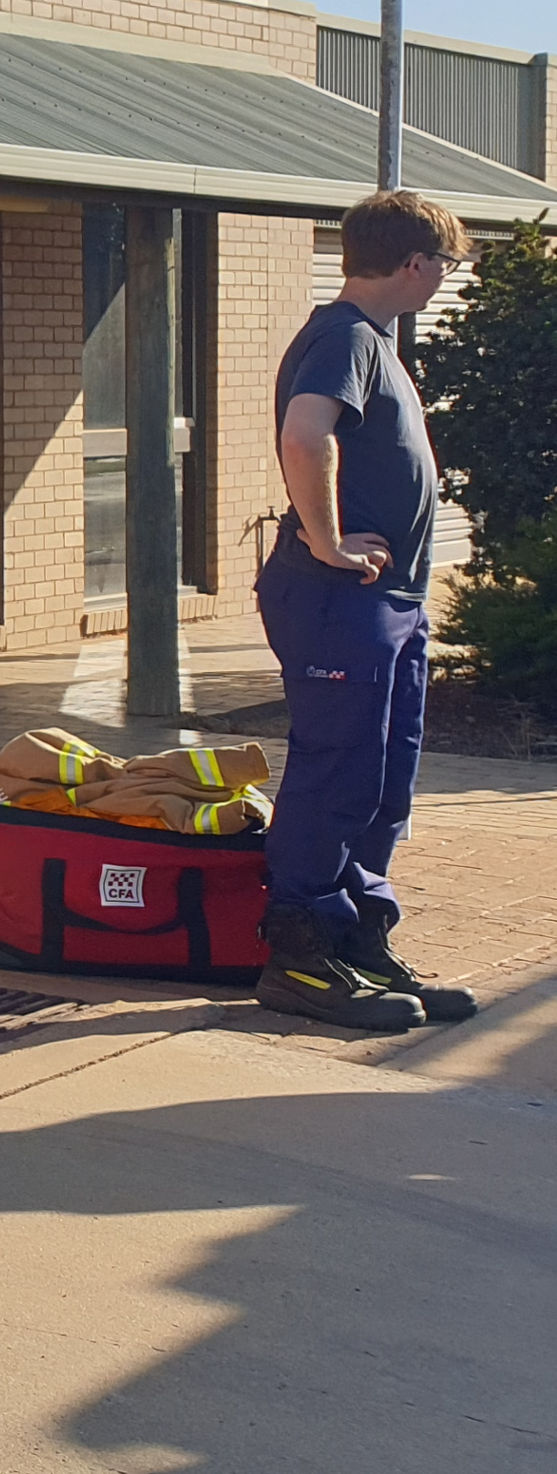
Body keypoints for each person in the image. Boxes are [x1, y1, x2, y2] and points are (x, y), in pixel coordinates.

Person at [251, 190, 480, 1031]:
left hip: (387, 603)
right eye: (445, 265)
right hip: (336, 599)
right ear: (415, 263)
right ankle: (299, 958)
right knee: (335, 771)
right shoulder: (343, 336)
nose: (442, 279)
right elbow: (305, 435)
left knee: (383, 780)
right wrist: (327, 540)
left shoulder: (373, 341)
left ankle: (354, 940)